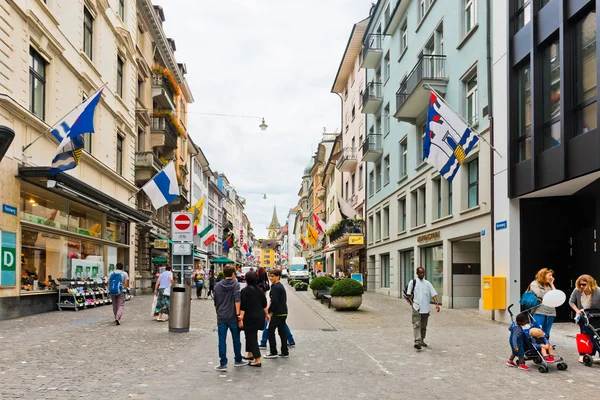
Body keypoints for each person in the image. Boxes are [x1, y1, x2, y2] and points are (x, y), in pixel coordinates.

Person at [213, 266, 248, 371]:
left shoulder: (217, 285)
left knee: (221, 340)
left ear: (224, 274)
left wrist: (218, 313)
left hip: (221, 316)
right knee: (236, 339)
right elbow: (237, 300)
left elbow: (215, 302)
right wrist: (238, 314)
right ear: (233, 274)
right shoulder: (235, 284)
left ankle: (223, 363)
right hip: (233, 316)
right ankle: (238, 359)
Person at [406, 267, 440, 350]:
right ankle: (417, 341)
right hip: (416, 307)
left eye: (423, 273)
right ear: (417, 273)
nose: (422, 274)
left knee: (424, 325)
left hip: (425, 308)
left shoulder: (427, 283)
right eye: (420, 273)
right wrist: (412, 303)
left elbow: (433, 294)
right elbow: (408, 294)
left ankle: (422, 339)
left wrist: (436, 304)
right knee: (416, 324)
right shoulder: (413, 282)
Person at [239, 271, 268, 367]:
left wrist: (241, 318)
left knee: (251, 337)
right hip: (259, 316)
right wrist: (267, 314)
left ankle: (257, 359)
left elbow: (243, 306)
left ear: (246, 279)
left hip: (249, 316)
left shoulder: (244, 291)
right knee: (251, 335)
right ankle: (250, 353)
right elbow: (264, 304)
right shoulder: (260, 290)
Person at [569, 274, 600, 363]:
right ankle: (584, 354)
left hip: (595, 316)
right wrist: (577, 311)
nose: (582, 286)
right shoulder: (577, 291)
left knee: (595, 335)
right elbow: (571, 302)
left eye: (584, 284)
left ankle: (591, 354)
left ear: (590, 283)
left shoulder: (598, 291)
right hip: (583, 316)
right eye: (580, 284)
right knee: (584, 335)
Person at [264, 269, 289, 359]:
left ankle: (273, 351)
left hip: (277, 313)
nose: (270, 278)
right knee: (282, 332)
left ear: (278, 276)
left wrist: (269, 312)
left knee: (270, 331)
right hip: (283, 312)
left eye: (272, 276)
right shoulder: (279, 286)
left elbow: (275, 301)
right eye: (269, 276)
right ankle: (285, 351)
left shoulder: (276, 287)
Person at [529, 268, 556, 338]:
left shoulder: (549, 286)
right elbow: (540, 294)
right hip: (539, 311)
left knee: (546, 332)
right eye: (550, 275)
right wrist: (550, 294)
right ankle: (536, 347)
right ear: (543, 275)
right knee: (537, 331)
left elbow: (556, 295)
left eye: (552, 276)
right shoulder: (534, 284)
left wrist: (552, 284)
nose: (551, 277)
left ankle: (545, 346)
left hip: (551, 311)